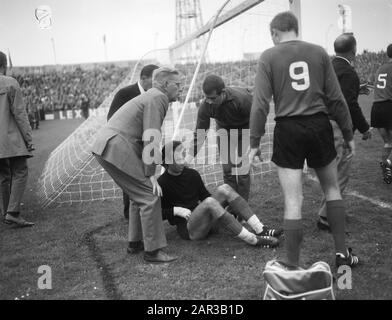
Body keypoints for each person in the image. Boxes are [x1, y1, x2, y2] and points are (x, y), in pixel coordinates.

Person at [249, 12, 359, 268]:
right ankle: (342, 254)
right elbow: (337, 98)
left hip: (288, 128)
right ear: (295, 29)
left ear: (275, 33)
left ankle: (292, 265)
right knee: (332, 190)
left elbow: (260, 105)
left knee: (293, 200)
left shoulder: (269, 56)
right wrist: (348, 133)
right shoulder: (319, 52)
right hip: (319, 125)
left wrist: (254, 142)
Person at [91, 67, 182, 264]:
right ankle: (153, 251)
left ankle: (135, 242)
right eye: (178, 85)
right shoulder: (158, 97)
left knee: (136, 195)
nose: (181, 89)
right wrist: (151, 174)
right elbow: (151, 136)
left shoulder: (152, 95)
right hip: (116, 147)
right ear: (166, 85)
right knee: (150, 195)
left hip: (107, 146)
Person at [159, 141, 282, 247]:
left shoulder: (192, 174)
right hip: (191, 230)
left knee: (225, 189)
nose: (182, 162)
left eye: (183, 157)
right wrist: (176, 210)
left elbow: (205, 197)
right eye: (178, 159)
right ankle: (252, 239)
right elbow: (158, 214)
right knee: (210, 202)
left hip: (208, 223)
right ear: (168, 162)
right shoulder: (162, 183)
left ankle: (261, 229)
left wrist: (220, 207)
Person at [317, 33, 372, 231]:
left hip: (322, 125)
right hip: (337, 127)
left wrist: (357, 88)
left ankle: (330, 211)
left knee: (331, 172)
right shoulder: (348, 72)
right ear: (354, 50)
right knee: (340, 173)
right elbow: (348, 104)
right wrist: (364, 128)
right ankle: (326, 217)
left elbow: (335, 93)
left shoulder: (327, 67)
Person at [185, 75, 253, 206]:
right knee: (228, 170)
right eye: (206, 97)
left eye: (212, 98)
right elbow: (200, 132)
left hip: (244, 131)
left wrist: (255, 143)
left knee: (242, 171)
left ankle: (243, 209)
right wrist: (188, 158)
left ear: (223, 92)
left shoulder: (242, 99)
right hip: (224, 132)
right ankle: (232, 203)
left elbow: (256, 119)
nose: (208, 101)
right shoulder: (206, 105)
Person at [107, 64, 159, 220]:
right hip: (126, 144)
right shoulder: (125, 93)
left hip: (145, 143)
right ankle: (129, 215)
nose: (157, 84)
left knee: (146, 177)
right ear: (143, 78)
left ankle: (144, 213)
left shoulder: (154, 95)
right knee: (130, 180)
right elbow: (112, 119)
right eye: (154, 80)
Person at [0, 51, 34, 227]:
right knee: (20, 171)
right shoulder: (10, 83)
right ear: (4, 65)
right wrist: (28, 139)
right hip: (10, 138)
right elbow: (20, 113)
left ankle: (6, 213)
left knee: (3, 177)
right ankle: (12, 213)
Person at [371, 44, 392, 184]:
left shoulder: (380, 69)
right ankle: (388, 165)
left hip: (376, 108)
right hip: (389, 106)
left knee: (388, 142)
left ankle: (386, 168)